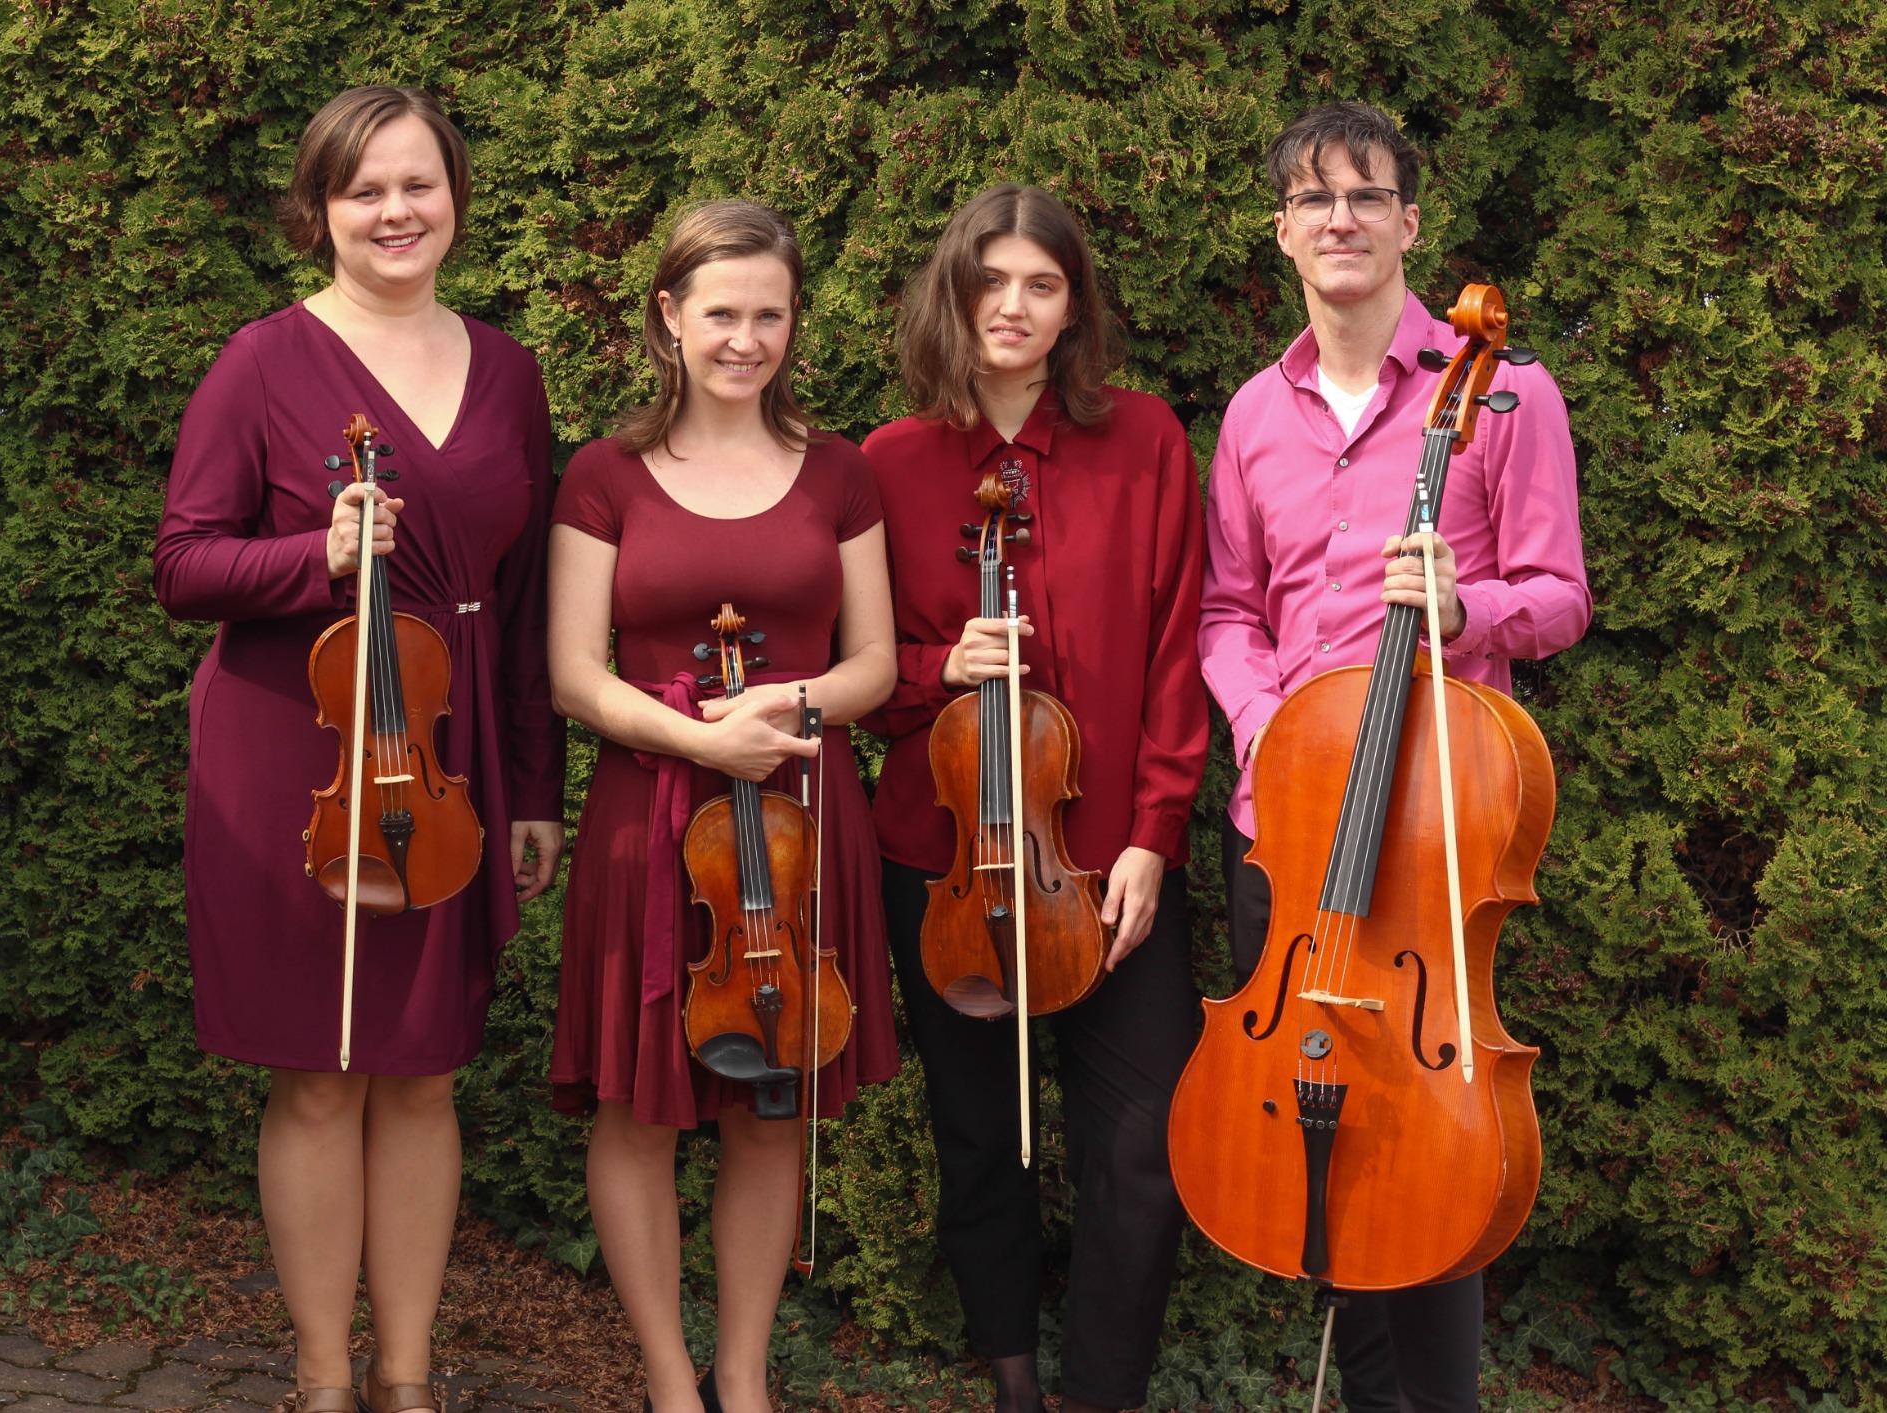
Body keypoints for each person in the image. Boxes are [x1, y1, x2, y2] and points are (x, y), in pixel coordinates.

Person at [152, 87, 565, 1413]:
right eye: (363, 190)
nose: (395, 211)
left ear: (456, 196)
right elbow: (183, 564)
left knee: (426, 1073)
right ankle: (324, 1380)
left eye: (417, 184)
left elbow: (524, 606)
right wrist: (314, 555)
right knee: (321, 1080)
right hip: (300, 750)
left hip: (451, 754)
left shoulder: (508, 371)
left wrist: (535, 786)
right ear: (320, 210)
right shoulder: (262, 362)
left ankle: (408, 1378)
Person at [1199, 101, 1593, 1411]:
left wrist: (1467, 608)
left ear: (1410, 222)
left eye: (1366, 195)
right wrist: (1266, 726)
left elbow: (1562, 595)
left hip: (1428, 842)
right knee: (1318, 1145)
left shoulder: (1507, 393)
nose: (1342, 219)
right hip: (1289, 835)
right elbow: (1228, 614)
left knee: (1425, 1145)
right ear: (1283, 233)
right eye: (1314, 199)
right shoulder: (1253, 415)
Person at [545, 199, 900, 1413]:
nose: (745, 339)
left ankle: (742, 1378)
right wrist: (702, 737)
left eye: (769, 315)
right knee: (637, 1113)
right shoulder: (604, 475)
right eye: (721, 314)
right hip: (650, 815)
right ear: (669, 317)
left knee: (770, 1103)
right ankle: (668, 1381)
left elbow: (874, 664)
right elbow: (573, 674)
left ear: (794, 322)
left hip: (801, 819)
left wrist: (786, 708)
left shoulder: (839, 470)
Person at [861, 184, 1209, 1413]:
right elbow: (861, 673)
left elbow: (1176, 651)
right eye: (990, 281)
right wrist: (935, 668)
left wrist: (1154, 837)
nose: (1013, 306)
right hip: (948, 862)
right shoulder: (889, 463)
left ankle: (1102, 1394)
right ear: (952, 295)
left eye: (1042, 285)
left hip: (1110, 864)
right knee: (979, 1140)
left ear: (1074, 308)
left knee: (1143, 1150)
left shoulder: (1146, 440)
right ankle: (1014, 1383)